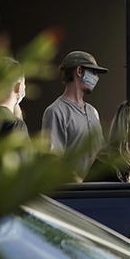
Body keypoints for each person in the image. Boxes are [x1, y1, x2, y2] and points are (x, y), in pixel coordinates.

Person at [42, 51, 108, 179]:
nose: (97, 78)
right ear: (79, 71)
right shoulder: (56, 111)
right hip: (73, 194)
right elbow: (52, 160)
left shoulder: (93, 112)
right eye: (93, 72)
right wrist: (79, 183)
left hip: (98, 192)